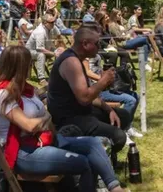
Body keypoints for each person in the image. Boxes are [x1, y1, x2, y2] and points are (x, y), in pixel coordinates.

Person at [0, 44, 127, 192]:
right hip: (22, 151)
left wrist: (46, 123)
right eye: (28, 64)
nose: (30, 66)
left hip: (41, 140)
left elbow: (42, 117)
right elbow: (28, 125)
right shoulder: (4, 95)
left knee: (92, 143)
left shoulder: (25, 89)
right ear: (19, 67)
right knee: (83, 162)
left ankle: (114, 187)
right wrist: (45, 120)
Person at [47, 23, 134, 156]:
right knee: (119, 137)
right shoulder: (71, 62)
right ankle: (100, 163)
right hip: (69, 119)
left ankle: (103, 158)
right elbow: (84, 98)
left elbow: (89, 95)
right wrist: (103, 81)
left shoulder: (77, 59)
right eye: (97, 43)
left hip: (82, 112)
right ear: (85, 44)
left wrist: (108, 109)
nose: (99, 47)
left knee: (123, 116)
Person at [83, 51, 144, 139]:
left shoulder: (94, 51)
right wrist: (103, 79)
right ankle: (123, 129)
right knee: (130, 100)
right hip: (96, 91)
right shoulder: (85, 55)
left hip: (105, 87)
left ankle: (128, 127)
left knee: (135, 96)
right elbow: (87, 72)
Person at [26, 13, 60, 85]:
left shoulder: (52, 27)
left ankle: (56, 75)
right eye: (51, 22)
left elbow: (59, 35)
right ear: (45, 22)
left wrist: (58, 51)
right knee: (41, 55)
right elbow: (40, 49)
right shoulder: (40, 32)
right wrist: (54, 53)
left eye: (54, 21)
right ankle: (42, 79)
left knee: (59, 52)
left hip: (44, 48)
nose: (53, 23)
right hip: (29, 52)